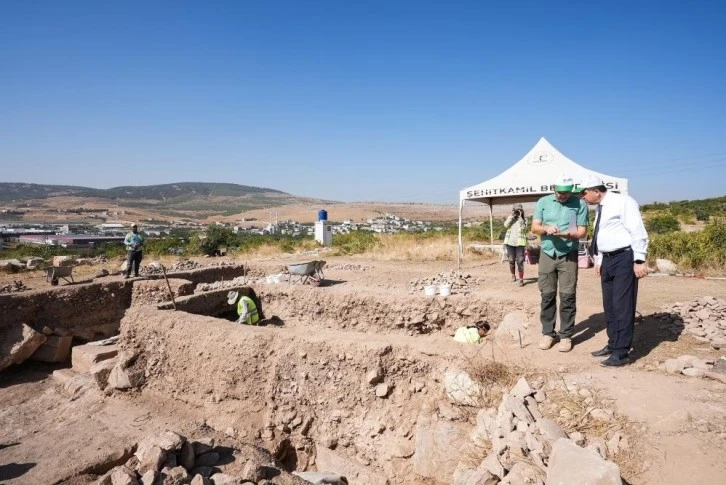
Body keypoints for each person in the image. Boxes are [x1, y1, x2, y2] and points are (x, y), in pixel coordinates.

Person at [578, 174, 649, 367]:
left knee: (622, 306)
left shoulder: (623, 202)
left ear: (596, 191)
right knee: (609, 306)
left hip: (624, 258)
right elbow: (603, 234)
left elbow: (637, 231)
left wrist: (639, 259)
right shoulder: (601, 208)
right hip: (608, 260)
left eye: (584, 193)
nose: (582, 197)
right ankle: (612, 343)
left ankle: (622, 352)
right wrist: (599, 260)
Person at [531, 175, 589, 352]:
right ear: (553, 188)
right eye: (560, 192)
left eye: (567, 193)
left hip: (568, 254)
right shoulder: (543, 202)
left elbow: (582, 231)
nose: (563, 196)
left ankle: (566, 336)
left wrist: (568, 234)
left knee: (567, 296)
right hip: (548, 252)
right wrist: (546, 229)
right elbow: (535, 228)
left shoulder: (580, 204)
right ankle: (548, 333)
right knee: (547, 295)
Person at [503, 203, 528, 286]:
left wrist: (521, 218)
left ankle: (521, 279)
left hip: (519, 244)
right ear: (513, 210)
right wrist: (511, 216)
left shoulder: (524, 220)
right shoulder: (511, 218)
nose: (518, 211)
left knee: (520, 261)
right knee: (511, 260)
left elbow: (524, 229)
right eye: (516, 210)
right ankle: (513, 275)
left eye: (519, 210)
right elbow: (506, 225)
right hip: (510, 243)